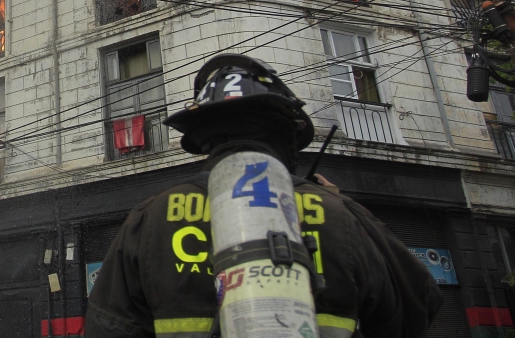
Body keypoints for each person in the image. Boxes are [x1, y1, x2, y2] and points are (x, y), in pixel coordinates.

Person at [85, 53, 442, 338]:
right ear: (288, 137)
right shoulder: (339, 213)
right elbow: (417, 306)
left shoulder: (150, 218)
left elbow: (108, 327)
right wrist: (338, 205)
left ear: (206, 138)